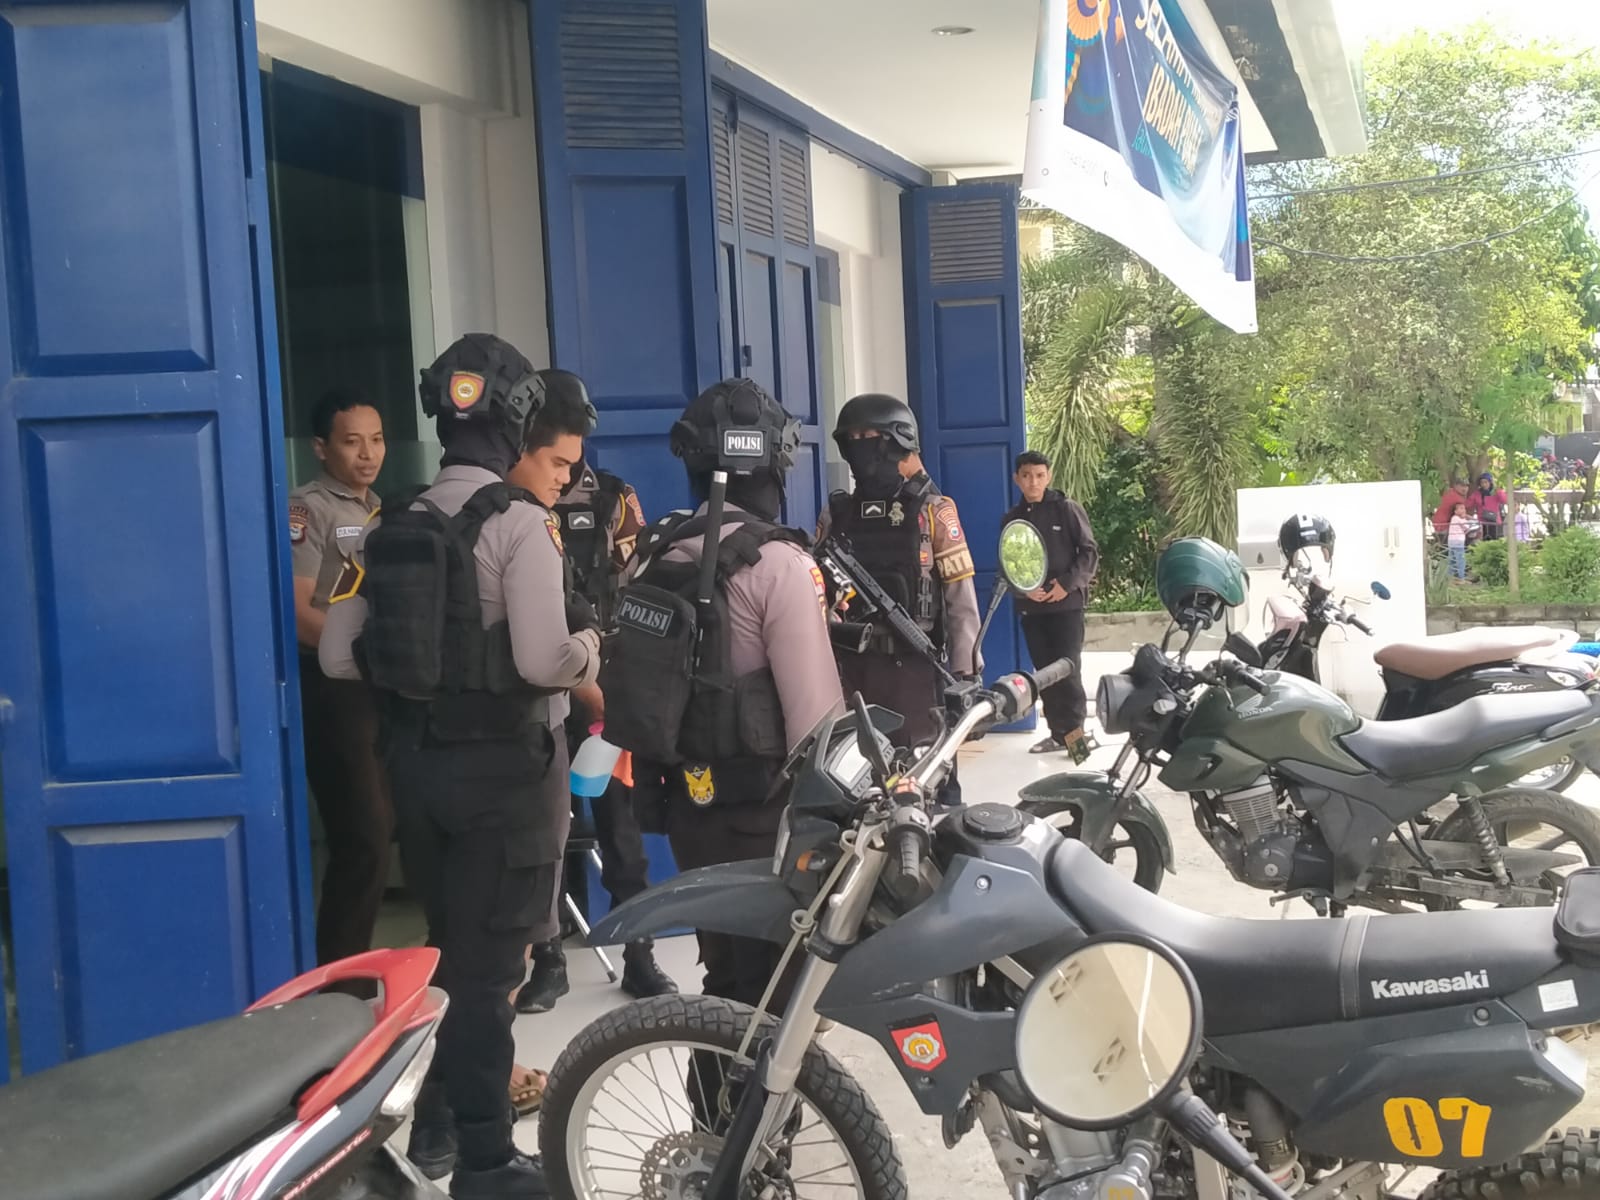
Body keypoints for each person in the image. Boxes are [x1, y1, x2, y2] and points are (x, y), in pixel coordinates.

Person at [320, 335, 601, 1197]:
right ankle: (485, 1162)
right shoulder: (521, 524)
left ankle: (437, 1130)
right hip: (505, 787)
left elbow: (337, 655)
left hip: (418, 773)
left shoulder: (388, 523)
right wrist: (593, 646)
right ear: (517, 422)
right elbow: (545, 658)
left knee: (447, 957)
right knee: (489, 979)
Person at [599, 378, 842, 1008]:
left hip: (688, 808)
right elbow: (817, 723)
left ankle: (712, 1077)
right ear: (776, 462)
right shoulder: (780, 565)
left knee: (723, 981)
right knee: (776, 995)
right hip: (766, 817)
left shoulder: (653, 554)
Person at [513, 451, 676, 1011]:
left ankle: (639, 954)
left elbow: (640, 592)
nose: (562, 473)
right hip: (542, 690)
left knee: (621, 831)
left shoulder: (612, 499)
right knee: (544, 833)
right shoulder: (515, 504)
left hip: (607, 691)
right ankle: (549, 961)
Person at [815, 393, 981, 758]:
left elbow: (961, 603)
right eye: (852, 439)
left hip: (915, 671)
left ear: (897, 440)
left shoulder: (934, 511)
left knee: (921, 774)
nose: (859, 445)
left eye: (868, 436)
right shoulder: (836, 513)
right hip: (851, 670)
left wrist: (966, 676)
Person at [288, 388, 391, 966]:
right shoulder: (309, 510)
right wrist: (365, 651)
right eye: (352, 442)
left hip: (379, 687)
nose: (367, 453)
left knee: (390, 829)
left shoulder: (384, 510)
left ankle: (367, 969)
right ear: (321, 448)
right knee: (362, 836)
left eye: (376, 440)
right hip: (331, 689)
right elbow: (299, 610)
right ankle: (337, 982)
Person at [1004, 451, 1099, 756]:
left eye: (1039, 475)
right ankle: (1058, 736)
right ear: (1017, 479)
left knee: (1068, 672)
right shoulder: (1012, 519)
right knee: (1045, 675)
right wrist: (1024, 589)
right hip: (1033, 610)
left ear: (1049, 477)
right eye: (1027, 476)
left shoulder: (1066, 509)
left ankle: (1077, 743)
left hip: (1066, 608)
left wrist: (1065, 585)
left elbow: (1089, 553)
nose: (1033, 482)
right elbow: (1009, 563)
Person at [1471, 472, 1508, 540]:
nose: (1484, 484)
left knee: (1495, 541)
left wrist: (1498, 491)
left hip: (1494, 521)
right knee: (1484, 541)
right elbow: (1468, 503)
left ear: (1490, 482)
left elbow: (1505, 500)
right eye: (1482, 482)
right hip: (1482, 522)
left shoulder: (1495, 492)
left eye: (1486, 482)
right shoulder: (1477, 493)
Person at [1448, 503, 1470, 579]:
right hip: (1458, 541)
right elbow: (1467, 526)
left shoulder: (1454, 519)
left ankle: (1450, 576)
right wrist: (1465, 518)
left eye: (1464, 508)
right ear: (1455, 511)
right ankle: (1461, 577)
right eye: (1461, 508)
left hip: (1451, 541)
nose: (1463, 510)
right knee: (1461, 559)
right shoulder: (1456, 518)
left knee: (1452, 559)